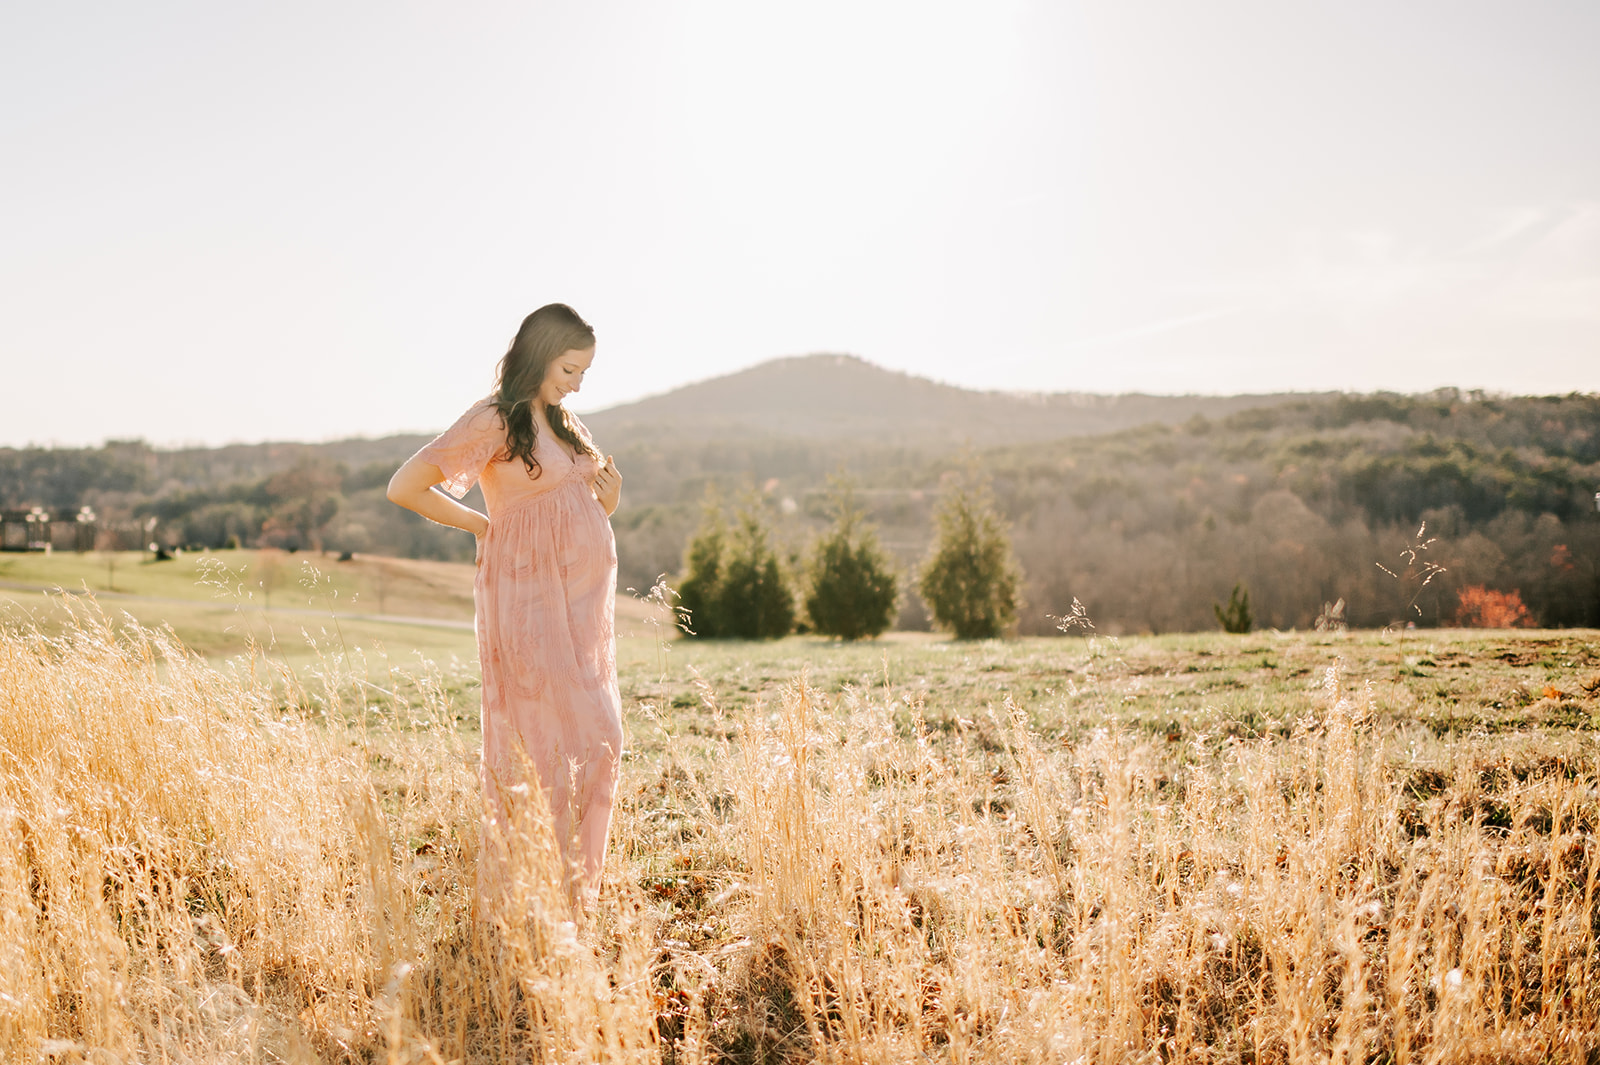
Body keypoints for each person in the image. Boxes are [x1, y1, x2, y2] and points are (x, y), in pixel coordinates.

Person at [387, 303, 623, 918]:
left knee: (592, 739)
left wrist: (610, 502)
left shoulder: (563, 420)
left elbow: (575, 510)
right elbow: (406, 485)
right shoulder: (496, 418)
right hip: (528, 600)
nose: (577, 383)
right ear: (540, 355)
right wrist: (481, 525)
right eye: (570, 368)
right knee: (546, 741)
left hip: (580, 614)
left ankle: (570, 896)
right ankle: (533, 895)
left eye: (584, 372)